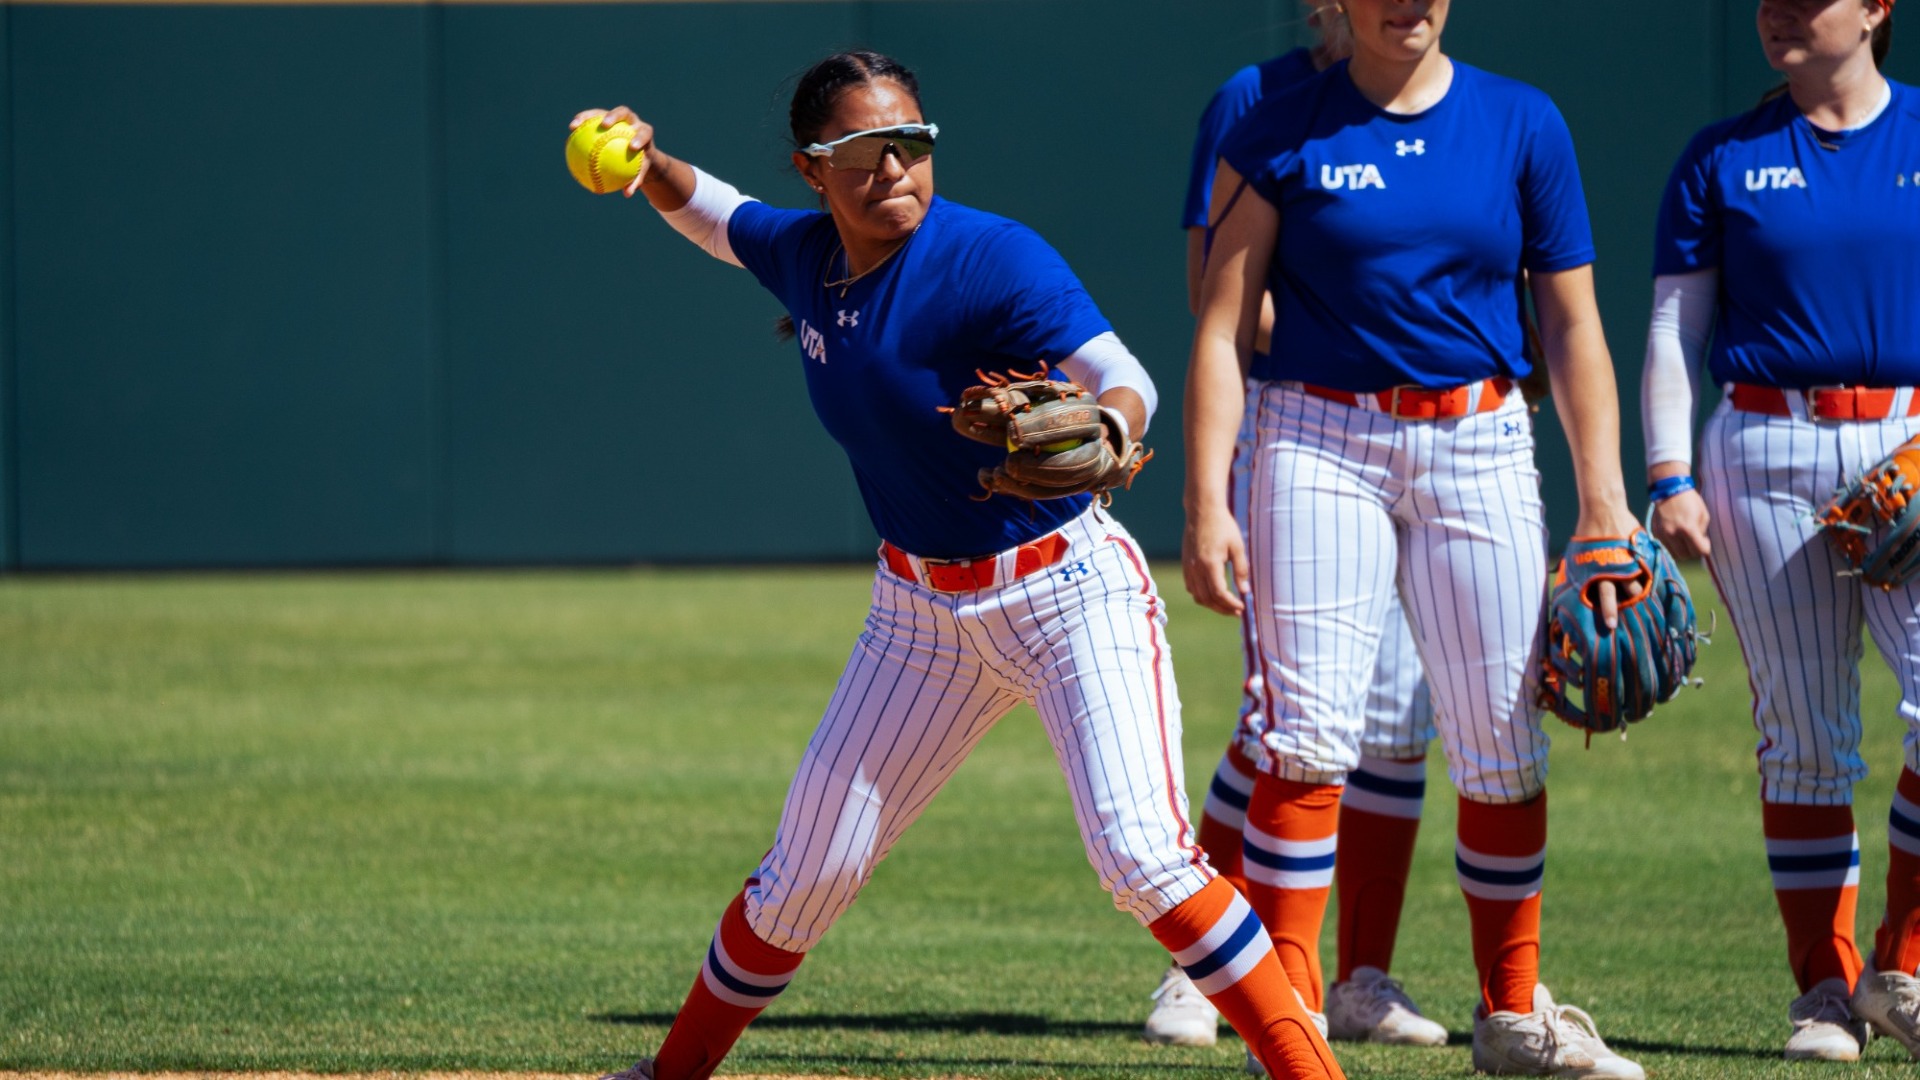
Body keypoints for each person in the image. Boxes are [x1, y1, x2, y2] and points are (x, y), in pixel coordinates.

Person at [576, 50, 1345, 1080]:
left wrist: (1111, 429)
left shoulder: (990, 258)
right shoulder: (808, 256)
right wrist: (650, 164)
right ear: (815, 168)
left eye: (914, 144)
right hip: (918, 617)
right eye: (864, 150)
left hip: (1067, 588)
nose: (895, 166)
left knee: (1143, 859)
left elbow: (1121, 375)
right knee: (803, 877)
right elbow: (723, 216)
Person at [1185, 1, 1651, 1076]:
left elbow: (1573, 322)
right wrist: (1206, 500)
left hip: (1481, 437)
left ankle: (1513, 1016)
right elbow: (1220, 325)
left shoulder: (1521, 121)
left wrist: (1602, 500)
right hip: (1316, 438)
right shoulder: (1274, 126)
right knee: (1305, 735)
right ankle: (1290, 1025)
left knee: (1500, 740)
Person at [1144, 1, 1446, 1053]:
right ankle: (1213, 966)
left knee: (1399, 714)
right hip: (1294, 421)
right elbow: (1210, 290)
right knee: (1288, 712)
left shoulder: (1448, 103)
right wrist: (1353, 344)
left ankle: (1361, 977)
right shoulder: (1257, 98)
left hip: (1434, 440)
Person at [1641, 0, 1920, 1061]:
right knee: (1805, 736)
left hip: (1910, 437)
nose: (1780, 16)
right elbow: (1676, 324)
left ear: (1878, 8)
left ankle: (1902, 962)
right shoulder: (1725, 157)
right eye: (1769, 2)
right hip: (1767, 445)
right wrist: (1668, 473)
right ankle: (1824, 991)